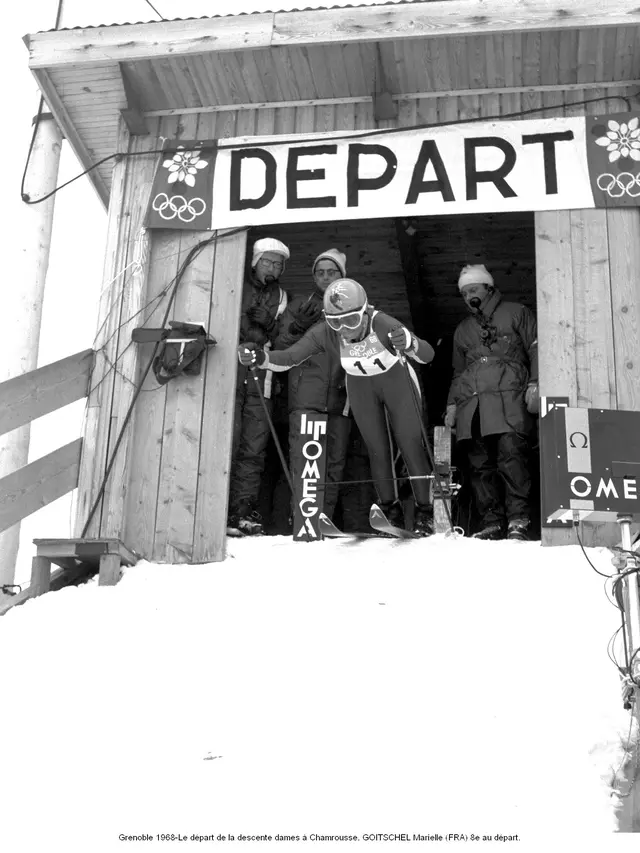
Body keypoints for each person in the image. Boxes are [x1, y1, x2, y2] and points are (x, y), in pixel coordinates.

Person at [238, 278, 436, 536]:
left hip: (397, 384)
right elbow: (289, 358)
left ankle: (425, 511)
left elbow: (428, 355)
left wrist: (409, 342)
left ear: (365, 312)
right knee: (377, 449)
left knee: (410, 444)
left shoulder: (383, 324)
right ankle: (391, 509)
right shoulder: (325, 333)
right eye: (335, 321)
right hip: (362, 387)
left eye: (351, 321)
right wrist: (260, 358)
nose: (343, 329)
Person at [444, 264, 538, 541]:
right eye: (464, 292)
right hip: (473, 407)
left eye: (473, 289)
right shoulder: (462, 329)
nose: (468, 295)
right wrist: (451, 405)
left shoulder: (517, 312)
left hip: (510, 399)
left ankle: (518, 521)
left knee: (512, 459)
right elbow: (458, 373)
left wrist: (536, 382)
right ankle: (492, 523)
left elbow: (537, 348)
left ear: (488, 287)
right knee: (480, 465)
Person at [274, 249, 350, 524]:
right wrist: (297, 327)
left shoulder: (356, 307)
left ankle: (323, 521)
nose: (326, 277)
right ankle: (303, 521)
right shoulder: (299, 305)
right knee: (306, 463)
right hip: (306, 395)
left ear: (342, 275)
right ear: (314, 277)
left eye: (332, 272)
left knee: (334, 464)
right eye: (321, 272)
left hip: (342, 397)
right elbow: (279, 348)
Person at [228, 237, 290, 536]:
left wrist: (270, 327)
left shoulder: (281, 296)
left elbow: (283, 339)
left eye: (279, 264)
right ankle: (218, 505)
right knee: (229, 436)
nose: (273, 268)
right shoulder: (234, 282)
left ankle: (242, 509)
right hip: (229, 368)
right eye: (268, 261)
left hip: (260, 371)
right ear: (255, 261)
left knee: (254, 442)